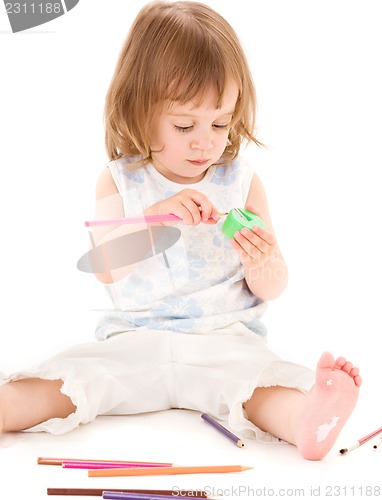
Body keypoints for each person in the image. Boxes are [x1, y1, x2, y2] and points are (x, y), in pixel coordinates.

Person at [0, 0, 361, 461]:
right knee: (76, 376)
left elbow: (272, 286)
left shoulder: (242, 181)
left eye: (221, 123)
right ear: (139, 109)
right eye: (185, 124)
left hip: (224, 339)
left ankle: (307, 420)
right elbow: (107, 269)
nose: (206, 140)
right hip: (135, 340)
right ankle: (7, 406)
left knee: (257, 382)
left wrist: (263, 260)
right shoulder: (119, 179)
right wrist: (155, 218)